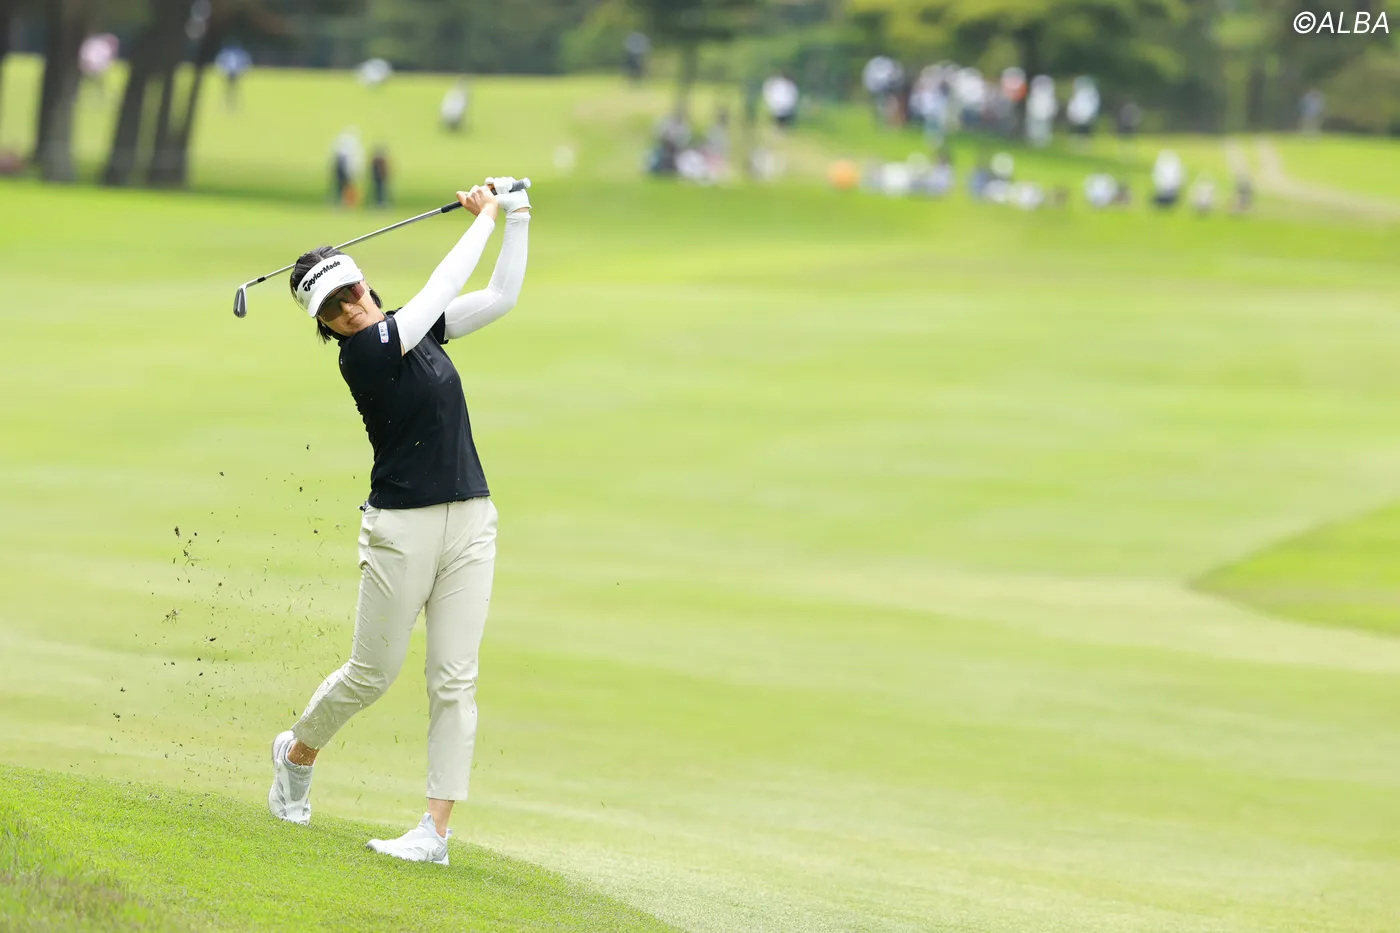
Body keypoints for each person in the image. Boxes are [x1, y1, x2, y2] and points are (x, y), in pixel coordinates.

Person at [267, 178, 533, 864]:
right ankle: (297, 753)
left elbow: (501, 296)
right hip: (400, 530)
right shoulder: (366, 354)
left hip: (471, 520)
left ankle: (434, 833)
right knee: (372, 673)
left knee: (454, 679)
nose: (348, 308)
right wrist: (483, 218)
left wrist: (517, 215)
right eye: (333, 308)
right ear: (326, 326)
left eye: (351, 292)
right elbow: (440, 289)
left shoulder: (416, 328)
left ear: (365, 283)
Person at [215, 43, 251, 110]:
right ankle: (227, 103)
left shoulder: (228, 53)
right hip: (229, 73)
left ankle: (233, 103)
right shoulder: (228, 53)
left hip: (235, 73)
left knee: (234, 89)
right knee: (229, 89)